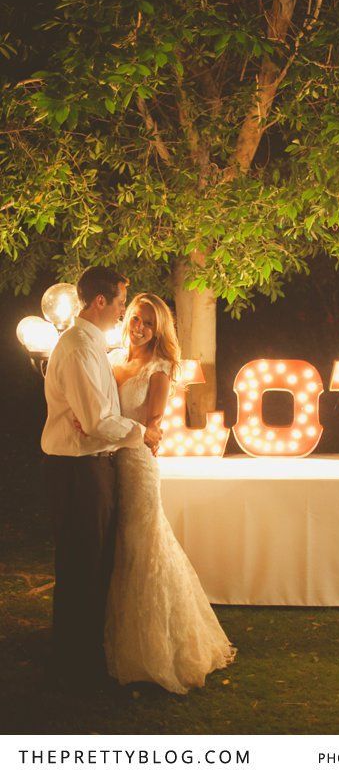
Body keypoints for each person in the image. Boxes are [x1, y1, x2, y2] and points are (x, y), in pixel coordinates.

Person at [104, 292, 235, 694]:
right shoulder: (113, 361)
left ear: (158, 329)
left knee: (144, 546)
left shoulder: (159, 368)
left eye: (148, 322)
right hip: (108, 461)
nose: (139, 327)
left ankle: (156, 649)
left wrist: (133, 434)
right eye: (135, 319)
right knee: (118, 547)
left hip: (137, 464)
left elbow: (153, 426)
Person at [41, 267, 162, 680]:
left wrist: (109, 428)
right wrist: (143, 434)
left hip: (93, 465)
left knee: (92, 564)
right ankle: (73, 662)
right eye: (119, 303)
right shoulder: (78, 348)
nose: (121, 313)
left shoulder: (91, 346)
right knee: (80, 566)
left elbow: (97, 417)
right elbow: (97, 421)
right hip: (78, 470)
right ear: (99, 302)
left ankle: (84, 653)